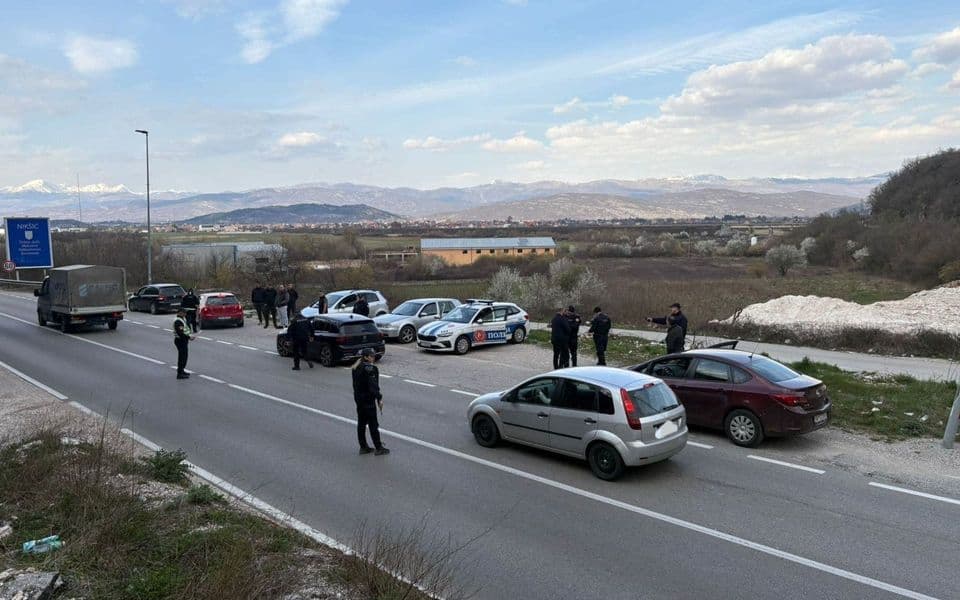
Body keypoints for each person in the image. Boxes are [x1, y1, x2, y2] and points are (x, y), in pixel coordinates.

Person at [352, 348, 389, 455]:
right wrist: (379, 398)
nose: (373, 358)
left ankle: (363, 446)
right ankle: (378, 447)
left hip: (359, 400)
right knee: (373, 424)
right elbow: (373, 387)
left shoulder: (356, 367)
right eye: (371, 356)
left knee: (361, 423)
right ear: (366, 357)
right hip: (368, 401)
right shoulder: (370, 369)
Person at [173, 308, 195, 379]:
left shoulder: (182, 319)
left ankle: (182, 370)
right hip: (180, 340)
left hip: (183, 340)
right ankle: (179, 373)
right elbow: (180, 333)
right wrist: (189, 337)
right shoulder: (178, 321)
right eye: (184, 313)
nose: (185, 314)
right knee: (182, 357)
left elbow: (186, 328)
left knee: (184, 356)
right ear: (180, 313)